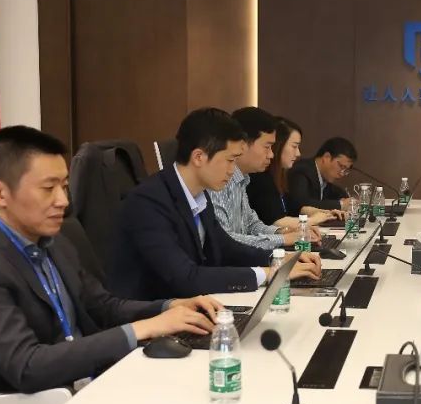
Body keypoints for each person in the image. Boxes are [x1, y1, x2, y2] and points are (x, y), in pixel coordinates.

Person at [0, 127, 220, 395]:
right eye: (48, 188)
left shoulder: (52, 241)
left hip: (90, 384)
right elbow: (27, 367)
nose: (63, 200)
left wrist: (168, 307)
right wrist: (140, 329)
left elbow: (103, 307)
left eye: (64, 186)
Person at [109, 108, 321, 301]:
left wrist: (279, 259)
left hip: (192, 304)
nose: (232, 169)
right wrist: (268, 273)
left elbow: (225, 247)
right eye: (230, 160)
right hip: (154, 317)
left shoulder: (198, 194)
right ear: (199, 157)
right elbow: (186, 277)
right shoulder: (149, 203)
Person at [208, 107, 324, 250]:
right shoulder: (218, 179)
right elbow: (225, 240)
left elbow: (252, 225)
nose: (271, 154)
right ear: (243, 145)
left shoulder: (243, 179)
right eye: (267, 147)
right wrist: (283, 239)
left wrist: (284, 232)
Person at [246, 117, 343, 228]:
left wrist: (326, 214)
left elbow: (295, 207)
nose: (298, 153)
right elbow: (275, 221)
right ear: (278, 144)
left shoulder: (279, 175)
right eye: (294, 146)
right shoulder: (260, 176)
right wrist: (313, 220)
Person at [288, 137, 358, 212]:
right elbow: (302, 205)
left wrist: (347, 201)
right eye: (341, 166)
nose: (342, 173)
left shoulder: (325, 179)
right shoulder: (301, 171)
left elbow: (338, 194)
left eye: (346, 170)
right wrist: (340, 205)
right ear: (326, 157)